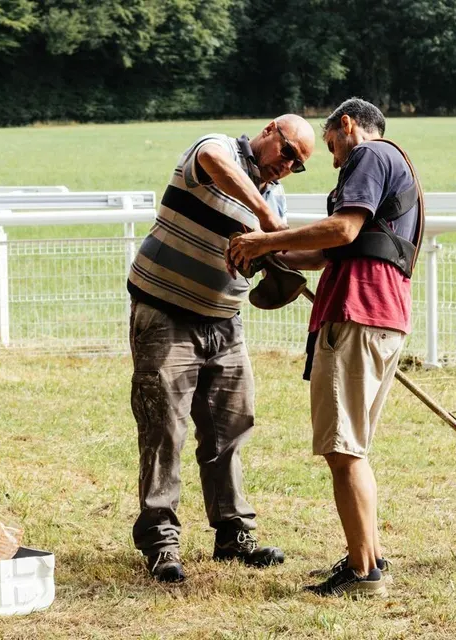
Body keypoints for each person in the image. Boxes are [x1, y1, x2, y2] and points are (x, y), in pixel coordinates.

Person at [229, 98, 424, 598]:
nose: (333, 158)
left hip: (356, 315)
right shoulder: (392, 164)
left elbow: (343, 229)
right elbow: (332, 250)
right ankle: (369, 556)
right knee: (353, 450)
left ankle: (363, 574)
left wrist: (266, 241)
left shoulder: (370, 155)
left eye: (331, 145)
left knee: (343, 452)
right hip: (380, 316)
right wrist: (271, 250)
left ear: (347, 124)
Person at [128, 115, 315, 583]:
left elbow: (283, 254)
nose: (287, 167)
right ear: (270, 130)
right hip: (165, 311)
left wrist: (334, 246)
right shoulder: (217, 150)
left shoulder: (277, 194)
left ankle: (233, 535)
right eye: (287, 152)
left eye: (298, 165)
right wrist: (268, 221)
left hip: (225, 321)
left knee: (230, 430)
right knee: (163, 429)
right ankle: (161, 544)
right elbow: (213, 163)